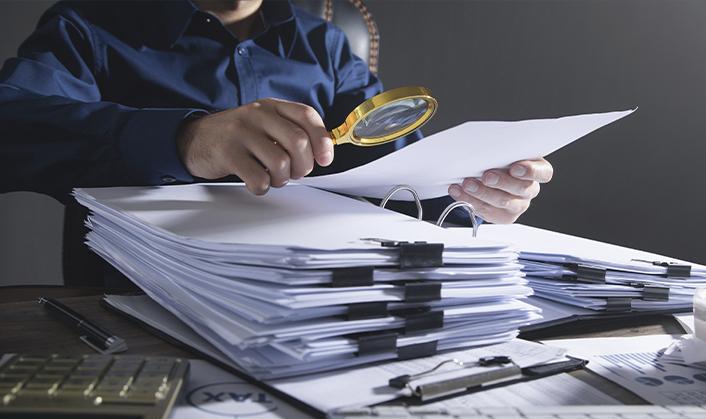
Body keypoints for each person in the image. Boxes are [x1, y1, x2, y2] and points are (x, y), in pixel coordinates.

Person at [0, 0, 552, 279]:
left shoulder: (326, 46)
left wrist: (471, 195)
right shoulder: (88, 25)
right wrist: (186, 139)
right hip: (139, 301)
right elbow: (13, 128)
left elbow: (398, 175)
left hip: (324, 296)